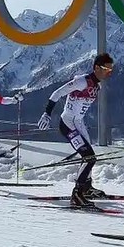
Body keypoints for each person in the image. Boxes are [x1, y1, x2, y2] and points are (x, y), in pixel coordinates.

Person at [37, 53, 115, 206]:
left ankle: (86, 188)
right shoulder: (82, 81)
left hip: (79, 124)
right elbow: (57, 93)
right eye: (106, 69)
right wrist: (47, 113)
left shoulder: (97, 85)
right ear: (96, 68)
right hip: (67, 124)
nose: (108, 73)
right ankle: (77, 195)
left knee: (88, 156)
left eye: (110, 70)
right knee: (89, 157)